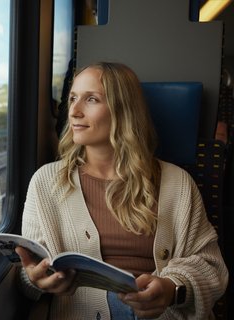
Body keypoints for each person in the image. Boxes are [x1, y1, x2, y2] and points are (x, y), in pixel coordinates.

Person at [15, 62, 228, 319]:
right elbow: (31, 269)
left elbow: (211, 266)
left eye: (91, 99)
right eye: (73, 98)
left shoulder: (178, 183)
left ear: (123, 110)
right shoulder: (46, 182)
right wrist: (35, 279)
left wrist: (171, 289)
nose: (74, 111)